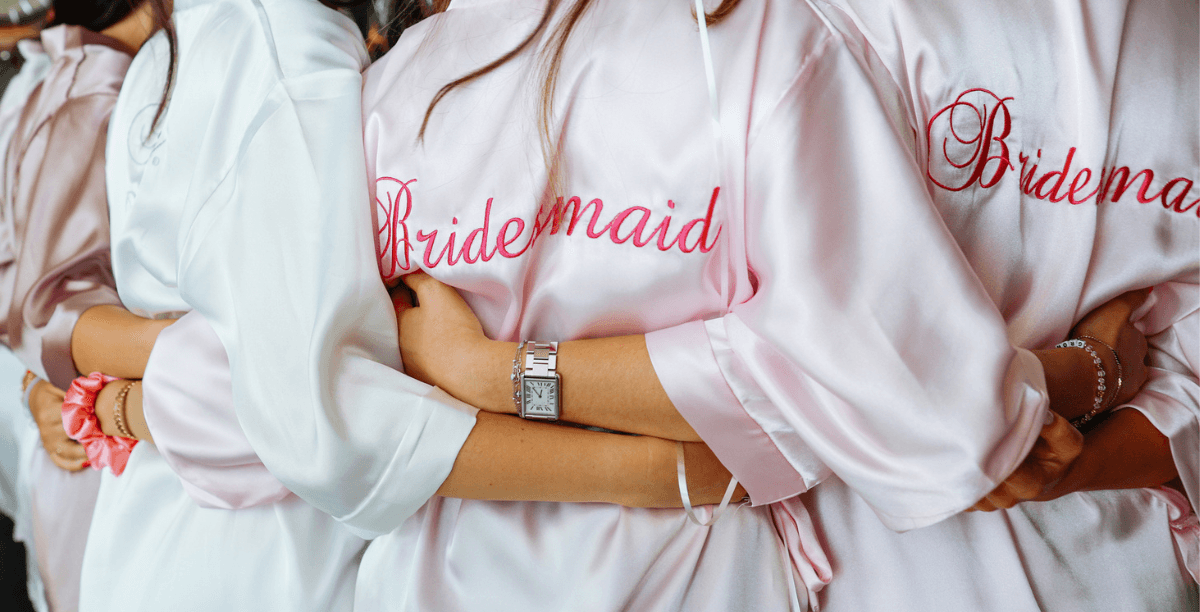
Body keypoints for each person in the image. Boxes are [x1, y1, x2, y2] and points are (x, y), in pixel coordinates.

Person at [0, 2, 179, 609]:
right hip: (103, 446)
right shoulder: (89, 85)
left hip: (152, 435)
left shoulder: (111, 71)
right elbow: (39, 304)